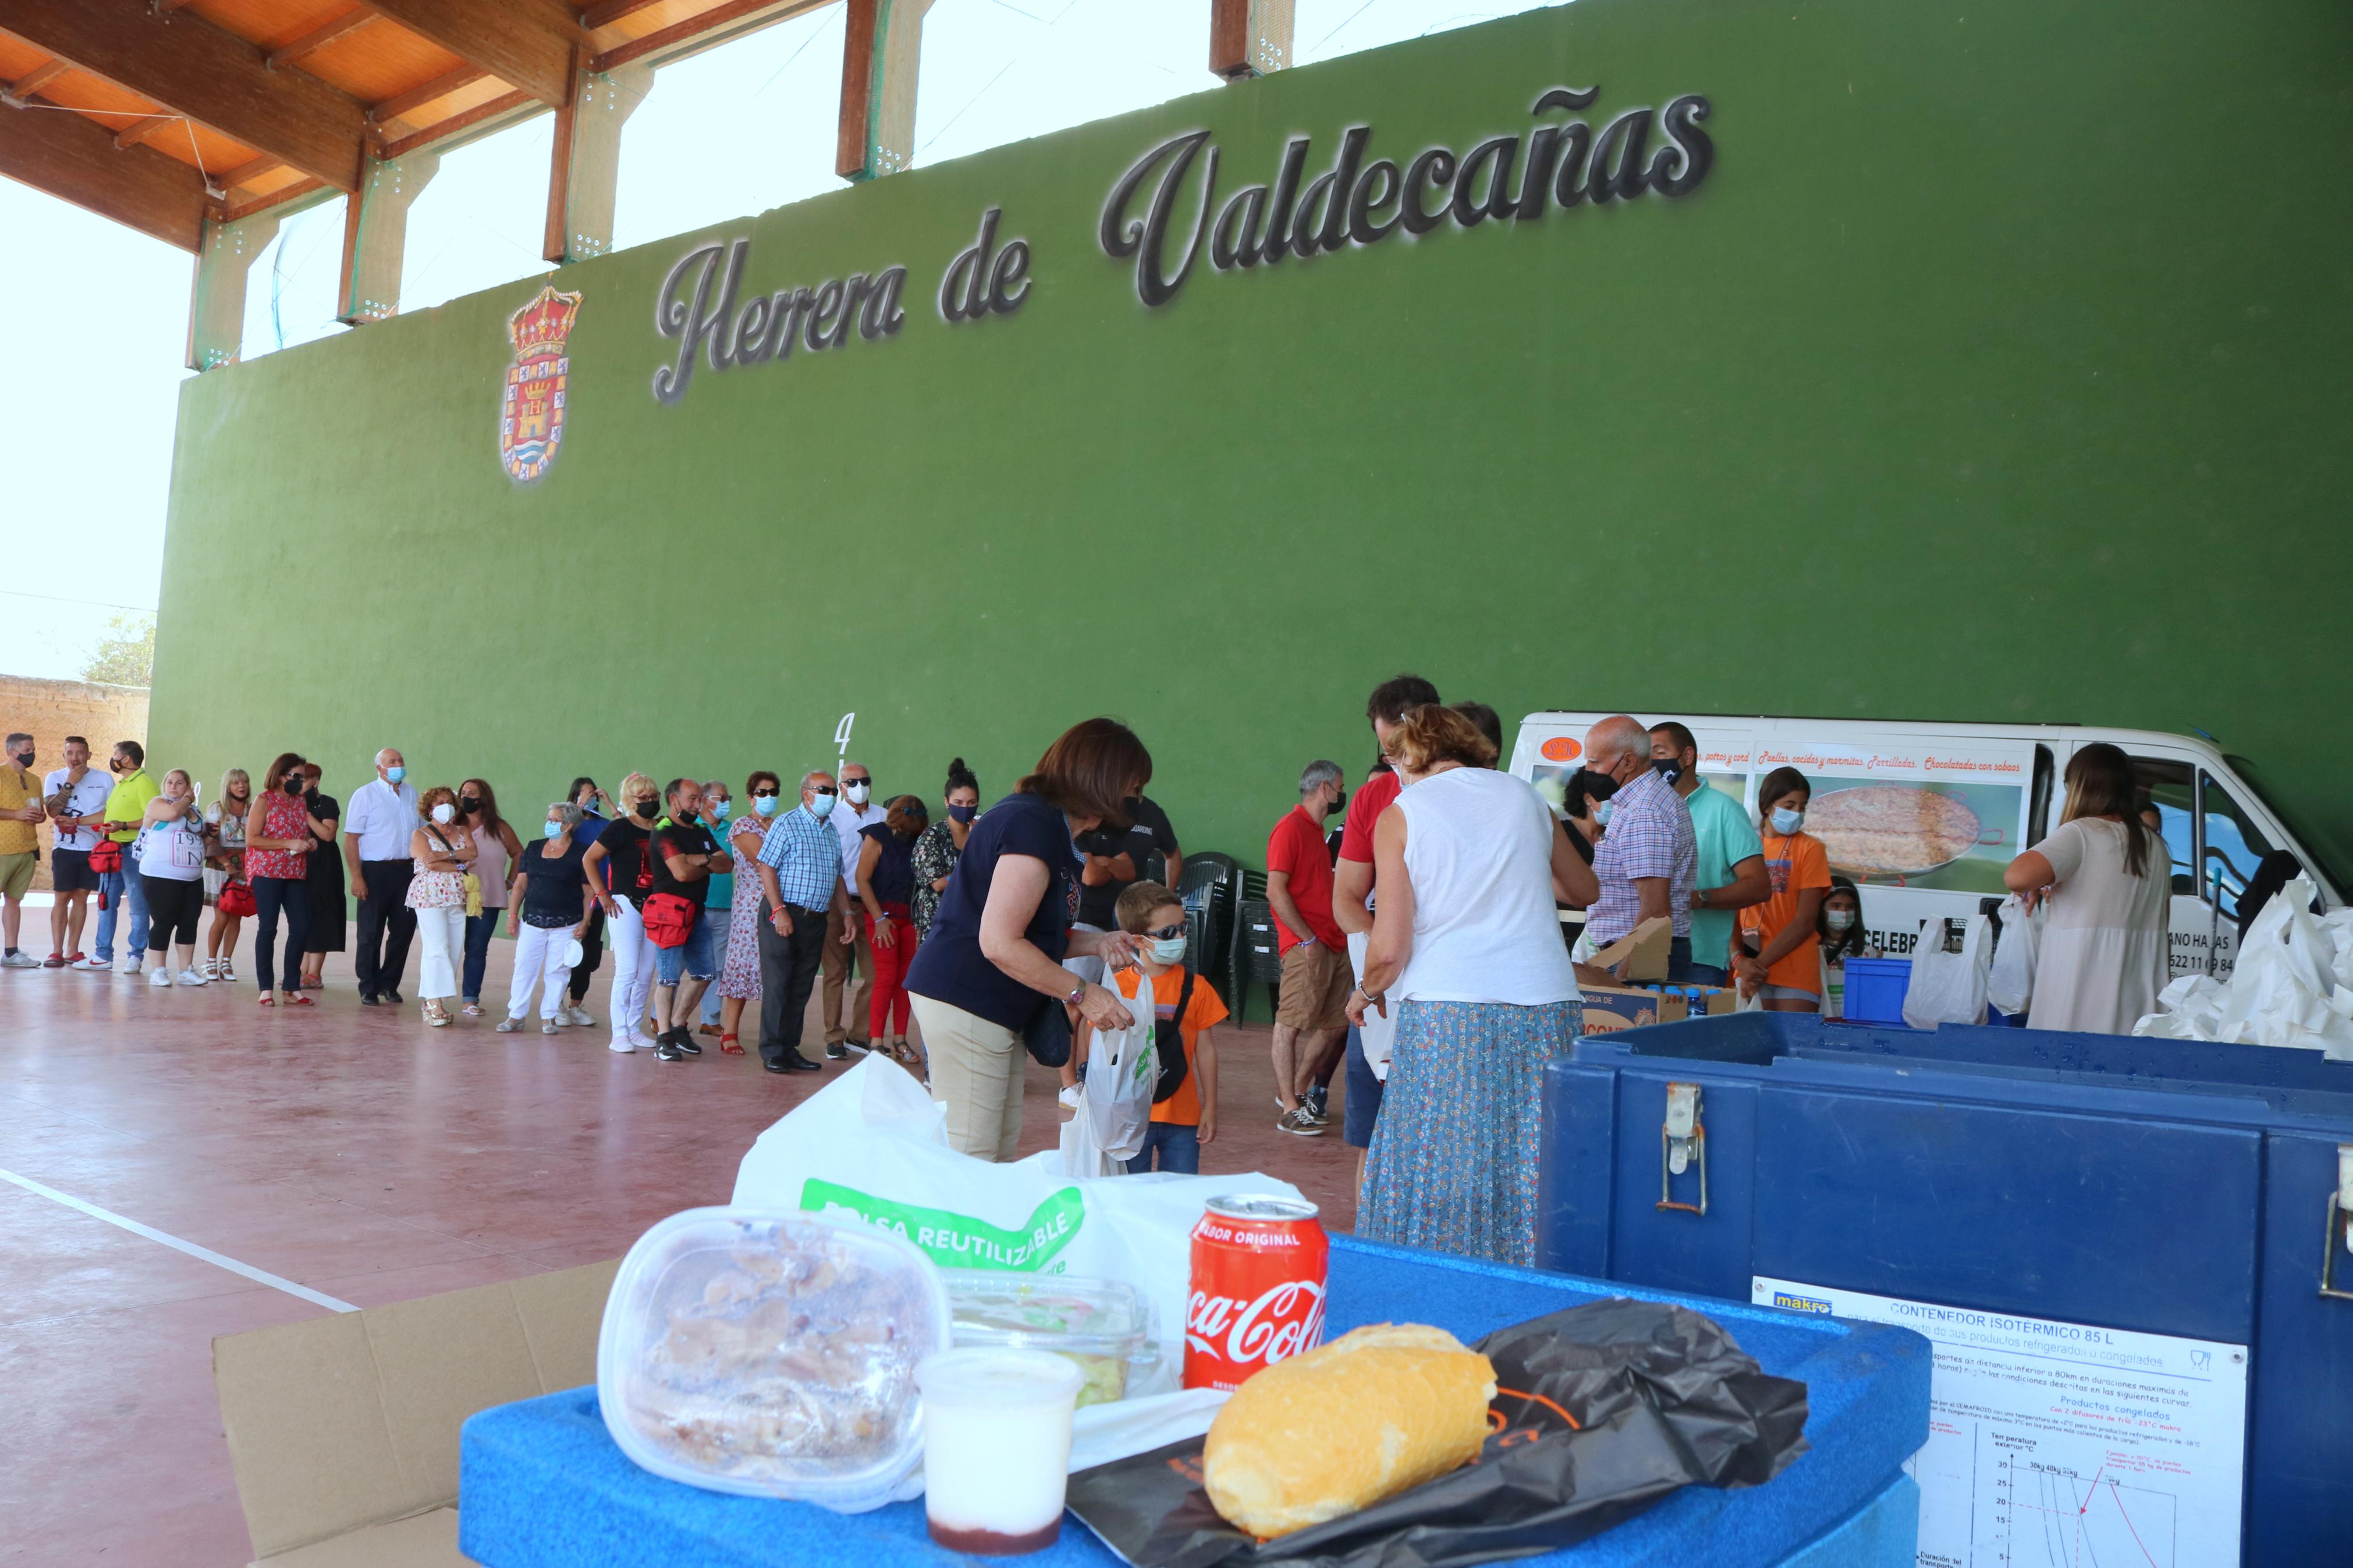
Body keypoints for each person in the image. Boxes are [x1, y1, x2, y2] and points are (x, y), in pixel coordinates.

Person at [1345, 705, 1596, 1267]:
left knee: (1440, 1154)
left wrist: (1363, 993)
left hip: (1449, 1005)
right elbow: (1584, 890)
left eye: (1398, 757)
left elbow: (1389, 947)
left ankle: (1439, 1280)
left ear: (1416, 754)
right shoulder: (1525, 797)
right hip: (1544, 999)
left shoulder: (1402, 812)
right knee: (1530, 1150)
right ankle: (1528, 1272)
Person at [905, 719, 1149, 1162]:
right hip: (969, 999)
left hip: (991, 1007)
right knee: (970, 1157)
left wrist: (1097, 942)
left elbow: (1035, 931)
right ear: (1103, 784)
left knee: (994, 1149)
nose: (1135, 803)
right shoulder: (1032, 825)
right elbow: (1000, 942)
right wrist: (1083, 993)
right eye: (1132, 790)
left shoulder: (1046, 825)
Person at [1332, 674, 1442, 1183]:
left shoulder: (1471, 792)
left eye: (1400, 750)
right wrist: (1385, 959)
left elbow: (1582, 890)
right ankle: (1367, 1251)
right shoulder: (1375, 799)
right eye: (1385, 752)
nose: (1394, 763)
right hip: (1380, 993)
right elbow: (1346, 901)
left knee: (1439, 1138)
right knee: (1371, 1137)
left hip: (1448, 997)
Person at [2004, 742, 2170, 1033]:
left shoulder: (2081, 833)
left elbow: (2016, 877)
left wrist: (2040, 882)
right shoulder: (2155, 846)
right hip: (2140, 1009)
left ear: (2079, 786)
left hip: (2082, 1001)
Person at [1099, 880, 1227, 1175]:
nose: (1180, 937)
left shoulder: (1198, 988)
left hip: (1183, 1118)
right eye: (1169, 933)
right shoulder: (1117, 988)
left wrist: (1211, 1107)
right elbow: (1098, 1048)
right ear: (1139, 940)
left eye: (1184, 928)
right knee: (1130, 1196)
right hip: (1129, 1118)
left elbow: (1206, 1051)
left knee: (1179, 1196)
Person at [1266, 760, 1350, 1136]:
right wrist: (1306, 938)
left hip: (1334, 942)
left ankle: (1296, 1091)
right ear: (1324, 789)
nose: (1341, 794)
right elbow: (1275, 891)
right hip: (1309, 946)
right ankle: (1288, 1107)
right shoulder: (1289, 828)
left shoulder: (1316, 832)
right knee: (1290, 1025)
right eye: (1339, 787)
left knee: (1334, 1026)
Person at [1649, 722, 1769, 986]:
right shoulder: (1646, 810)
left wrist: (1699, 898)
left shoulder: (1725, 810)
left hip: (1699, 960)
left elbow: (1759, 886)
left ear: (1688, 756)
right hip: (1644, 954)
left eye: (1659, 753)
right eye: (1647, 756)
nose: (1652, 763)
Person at [1581, 714, 1697, 976]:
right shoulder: (1637, 804)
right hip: (1629, 951)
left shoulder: (1644, 812)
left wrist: (1625, 977)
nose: (1587, 769)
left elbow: (1655, 910)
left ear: (1629, 762)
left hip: (1637, 956)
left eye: (1595, 762)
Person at [751, 771, 848, 1075]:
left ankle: (789, 1048)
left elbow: (839, 877)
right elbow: (767, 867)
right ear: (806, 793)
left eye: (833, 791)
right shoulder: (787, 823)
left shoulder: (831, 831)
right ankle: (772, 1050)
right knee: (779, 982)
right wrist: (778, 910)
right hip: (785, 913)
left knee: (801, 986)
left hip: (816, 919)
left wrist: (847, 915)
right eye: (824, 790)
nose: (830, 796)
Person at [1731, 766, 1833, 1012]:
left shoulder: (1811, 849)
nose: (1797, 813)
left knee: (1792, 1045)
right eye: (1789, 806)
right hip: (1746, 967)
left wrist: (1757, 966)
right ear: (1767, 806)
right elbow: (1728, 912)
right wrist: (1739, 960)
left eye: (1803, 807)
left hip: (1794, 968)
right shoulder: (1744, 845)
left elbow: (1805, 922)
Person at [646, 777, 729, 1062]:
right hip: (669, 915)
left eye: (700, 799)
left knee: (705, 974)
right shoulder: (663, 832)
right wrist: (706, 863)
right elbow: (680, 874)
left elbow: (726, 864)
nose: (698, 804)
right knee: (668, 979)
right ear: (674, 800)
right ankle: (663, 1036)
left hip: (698, 913)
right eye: (693, 799)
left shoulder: (701, 829)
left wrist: (700, 860)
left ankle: (679, 1025)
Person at [498, 802, 595, 1034]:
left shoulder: (582, 853)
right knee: (523, 968)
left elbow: (589, 891)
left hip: (566, 925)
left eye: (554, 820)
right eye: (548, 819)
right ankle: (516, 1015)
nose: (549, 824)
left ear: (569, 825)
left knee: (558, 971)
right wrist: (513, 916)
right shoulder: (533, 848)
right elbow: (521, 885)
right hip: (532, 922)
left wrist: (586, 921)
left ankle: (549, 1016)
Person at [583, 773, 661, 1054]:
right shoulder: (619, 829)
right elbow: (589, 859)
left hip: (657, 907)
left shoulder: (663, 828)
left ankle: (633, 1027)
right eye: (643, 798)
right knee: (627, 969)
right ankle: (618, 1033)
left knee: (646, 971)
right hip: (625, 903)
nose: (650, 802)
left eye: (654, 797)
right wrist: (603, 895)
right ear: (630, 801)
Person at [854, 794, 929, 1065]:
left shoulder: (922, 838)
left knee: (905, 981)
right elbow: (862, 879)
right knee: (885, 978)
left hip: (909, 919)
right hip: (880, 916)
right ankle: (876, 1041)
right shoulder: (877, 836)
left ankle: (899, 1039)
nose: (904, 834)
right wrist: (878, 918)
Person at [819, 760, 886, 1059]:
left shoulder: (884, 817)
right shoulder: (829, 816)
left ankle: (860, 1035)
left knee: (873, 974)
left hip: (873, 905)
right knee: (834, 972)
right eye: (852, 782)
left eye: (865, 780)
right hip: (836, 904)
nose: (860, 787)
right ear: (841, 787)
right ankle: (834, 1036)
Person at [345, 748, 421, 1006]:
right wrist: (357, 877)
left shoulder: (412, 795)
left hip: (407, 871)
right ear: (379, 768)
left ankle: (390, 984)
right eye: (392, 762)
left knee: (403, 930)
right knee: (370, 932)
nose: (398, 765)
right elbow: (351, 838)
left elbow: (422, 833)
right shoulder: (365, 795)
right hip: (375, 871)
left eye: (401, 760)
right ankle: (368, 986)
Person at [713, 771, 781, 1056]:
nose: (768, 797)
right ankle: (729, 1032)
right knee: (741, 969)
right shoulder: (742, 826)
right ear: (751, 797)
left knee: (776, 971)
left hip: (780, 904)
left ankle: (774, 1035)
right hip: (750, 909)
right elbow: (764, 859)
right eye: (762, 792)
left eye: (773, 792)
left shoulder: (780, 826)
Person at [246, 752, 316, 1007]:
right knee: (268, 927)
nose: (299, 780)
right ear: (280, 774)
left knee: (301, 926)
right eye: (294, 776)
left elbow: (300, 832)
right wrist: (288, 843)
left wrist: (309, 842)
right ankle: (266, 988)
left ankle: (291, 985)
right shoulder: (264, 800)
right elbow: (252, 839)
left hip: (295, 870)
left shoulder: (300, 802)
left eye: (302, 776)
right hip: (267, 872)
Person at [405, 785, 477, 1027]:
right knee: (437, 947)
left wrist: (442, 856)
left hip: (457, 896)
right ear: (429, 808)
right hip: (428, 896)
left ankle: (430, 998)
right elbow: (431, 865)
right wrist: (458, 862)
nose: (444, 806)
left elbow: (473, 852)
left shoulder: (462, 829)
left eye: (448, 801)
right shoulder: (420, 834)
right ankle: (434, 1003)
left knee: (453, 948)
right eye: (438, 803)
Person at [134, 769, 210, 987]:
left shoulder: (193, 809)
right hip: (160, 875)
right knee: (164, 921)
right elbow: (172, 815)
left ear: (188, 785)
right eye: (170, 782)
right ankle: (158, 970)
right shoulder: (157, 803)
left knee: (189, 922)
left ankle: (186, 970)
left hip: (192, 878)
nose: (174, 786)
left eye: (180, 783)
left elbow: (200, 833)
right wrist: (187, 798)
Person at [456, 777, 524, 1017]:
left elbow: (518, 853)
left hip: (488, 898)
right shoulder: (453, 825)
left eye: (470, 793)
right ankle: (436, 997)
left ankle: (470, 998)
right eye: (462, 792)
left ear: (482, 798)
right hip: (454, 897)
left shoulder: (500, 828)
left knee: (476, 948)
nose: (465, 796)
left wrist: (510, 881)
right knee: (447, 948)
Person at [91, 740, 159, 974]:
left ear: (127, 759)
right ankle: (103, 955)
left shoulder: (143, 783)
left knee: (138, 906)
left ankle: (136, 955)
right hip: (111, 851)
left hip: (132, 852)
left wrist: (124, 825)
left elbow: (154, 817)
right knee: (105, 903)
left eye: (115, 754)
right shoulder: (122, 784)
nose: (113, 758)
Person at [44, 736, 110, 968]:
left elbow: (108, 814)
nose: (75, 758)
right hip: (64, 849)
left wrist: (78, 822)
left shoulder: (104, 779)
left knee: (81, 897)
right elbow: (52, 811)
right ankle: (56, 951)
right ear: (64, 756)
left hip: (93, 850)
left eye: (80, 753)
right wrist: (71, 782)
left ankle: (73, 950)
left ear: (89, 755)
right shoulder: (55, 777)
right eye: (70, 753)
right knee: (62, 897)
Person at [911, 759, 980, 942]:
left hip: (975, 923)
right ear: (947, 802)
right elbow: (939, 884)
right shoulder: (933, 836)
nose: (965, 808)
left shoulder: (982, 833)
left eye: (971, 802)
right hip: (939, 925)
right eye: (959, 802)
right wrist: (972, 851)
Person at [559, 777, 609, 1027]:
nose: (591, 799)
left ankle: (576, 1005)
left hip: (598, 899)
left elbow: (624, 828)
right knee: (565, 952)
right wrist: (577, 810)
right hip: (571, 897)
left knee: (588, 954)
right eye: (585, 794)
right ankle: (555, 1003)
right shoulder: (568, 823)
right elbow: (558, 841)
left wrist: (609, 803)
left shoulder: (605, 825)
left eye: (594, 794)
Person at [295, 762, 343, 990]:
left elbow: (328, 834)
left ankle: (315, 973)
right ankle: (302, 971)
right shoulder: (290, 803)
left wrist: (305, 815)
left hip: (324, 866)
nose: (299, 784)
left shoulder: (328, 803)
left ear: (316, 781)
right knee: (302, 917)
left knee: (321, 914)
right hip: (300, 864)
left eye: (304, 780)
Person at [201, 769, 251, 982]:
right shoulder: (217, 808)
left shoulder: (254, 808)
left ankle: (227, 961)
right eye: (236, 783)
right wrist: (227, 864)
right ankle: (211, 961)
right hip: (220, 865)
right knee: (222, 916)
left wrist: (248, 866)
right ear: (227, 786)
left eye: (245, 782)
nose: (241, 786)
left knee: (236, 916)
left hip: (245, 865)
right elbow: (210, 840)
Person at [695, 778, 734, 1037]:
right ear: (705, 801)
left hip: (725, 908)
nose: (726, 803)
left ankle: (710, 1019)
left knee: (718, 968)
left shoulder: (734, 831)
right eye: (721, 798)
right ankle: (659, 1017)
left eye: (728, 798)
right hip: (695, 906)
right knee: (679, 967)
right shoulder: (690, 829)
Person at [0, 733, 41, 968]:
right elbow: (16, 812)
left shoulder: (34, 780)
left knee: (14, 901)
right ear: (11, 752)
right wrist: (16, 814)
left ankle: (11, 953)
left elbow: (40, 811)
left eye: (33, 749)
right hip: (2, 848)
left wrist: (40, 816)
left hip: (27, 849)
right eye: (27, 750)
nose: (31, 754)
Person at [1818, 877, 1867, 1018]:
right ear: (1822, 908)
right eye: (1836, 906)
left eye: (1850, 907)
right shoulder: (1810, 947)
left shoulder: (1865, 951)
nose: (1844, 912)